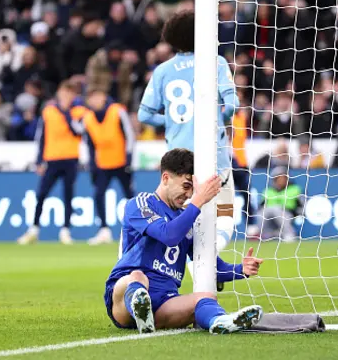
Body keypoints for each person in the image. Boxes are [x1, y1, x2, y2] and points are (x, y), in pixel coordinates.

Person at [104, 148, 263, 334]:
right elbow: (168, 235)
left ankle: (221, 321)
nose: (189, 195)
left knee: (206, 298)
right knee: (138, 277)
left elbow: (211, 268)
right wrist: (199, 200)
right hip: (124, 299)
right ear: (165, 178)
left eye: (192, 190)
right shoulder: (140, 204)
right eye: (186, 186)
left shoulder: (186, 220)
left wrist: (240, 269)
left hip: (164, 302)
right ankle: (140, 307)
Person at [137, 11, 239, 260]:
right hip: (213, 156)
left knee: (183, 220)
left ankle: (197, 270)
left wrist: (172, 122)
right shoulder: (216, 62)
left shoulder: (162, 70)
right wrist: (218, 120)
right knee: (225, 216)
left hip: (177, 160)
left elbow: (144, 115)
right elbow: (232, 105)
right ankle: (207, 259)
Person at [17, 81, 87, 245]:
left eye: (69, 94)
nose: (65, 97)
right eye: (63, 93)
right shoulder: (48, 111)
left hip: (70, 158)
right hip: (52, 159)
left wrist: (66, 112)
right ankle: (33, 229)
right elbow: (41, 136)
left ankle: (65, 230)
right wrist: (39, 160)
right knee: (41, 194)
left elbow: (78, 131)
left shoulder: (79, 112)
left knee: (68, 196)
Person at [83, 89, 135, 245]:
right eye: (91, 98)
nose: (94, 101)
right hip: (102, 164)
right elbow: (89, 143)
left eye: (97, 96)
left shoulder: (117, 111)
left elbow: (129, 135)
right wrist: (92, 164)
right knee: (98, 195)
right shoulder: (88, 118)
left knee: (130, 197)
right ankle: (104, 230)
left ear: (104, 97)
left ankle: (138, 230)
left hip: (121, 162)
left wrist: (129, 159)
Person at [255, 166, 304, 242]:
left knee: (277, 209)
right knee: (262, 213)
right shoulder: (268, 191)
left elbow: (301, 206)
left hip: (288, 213)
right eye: (279, 178)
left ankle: (289, 234)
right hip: (269, 215)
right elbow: (261, 206)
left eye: (284, 178)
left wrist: (297, 213)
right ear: (275, 180)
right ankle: (263, 234)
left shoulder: (294, 189)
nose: (282, 180)